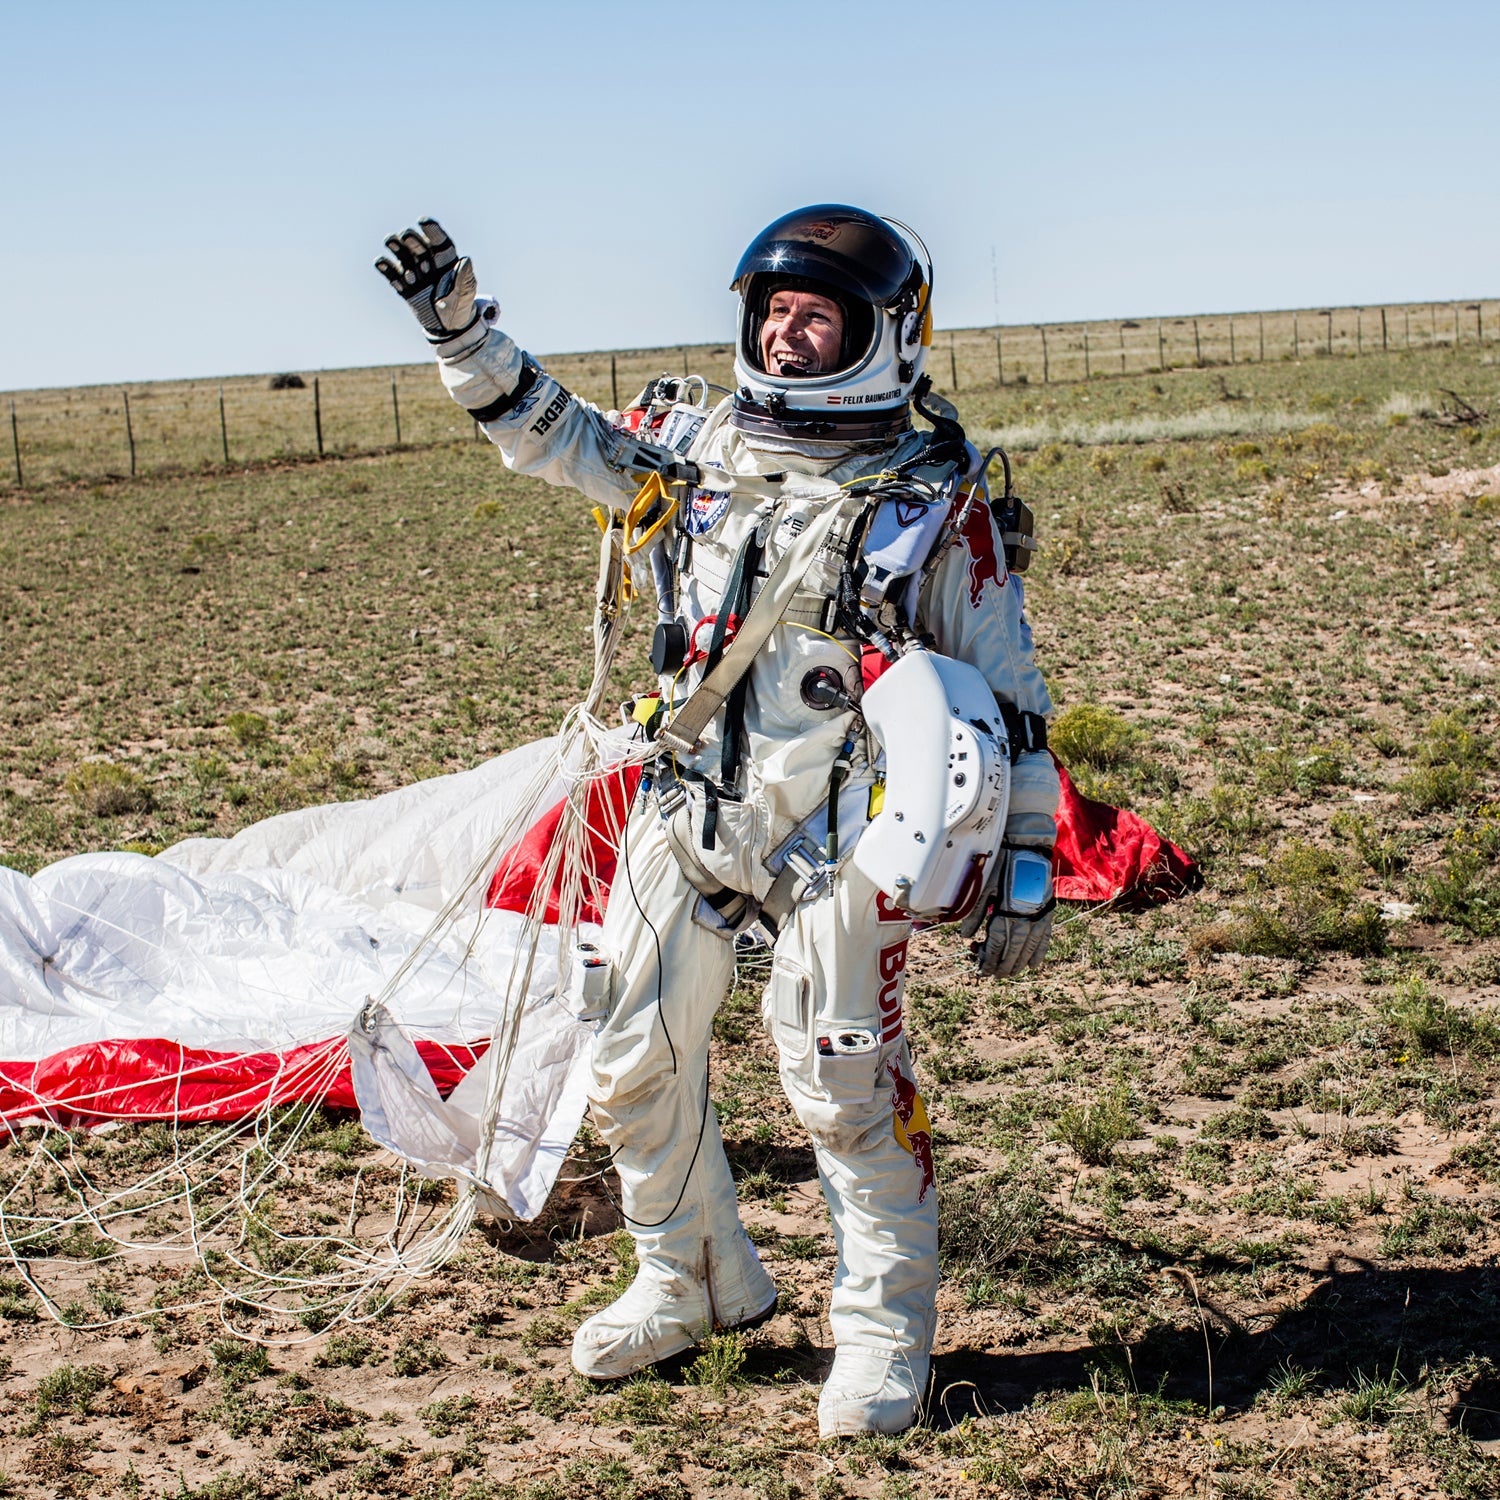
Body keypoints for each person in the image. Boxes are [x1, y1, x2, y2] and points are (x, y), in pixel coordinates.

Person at [375, 206, 1059, 1437]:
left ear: (883, 337)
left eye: (818, 319)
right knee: (629, 1049)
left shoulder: (925, 497)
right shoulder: (692, 454)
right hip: (692, 798)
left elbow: (1007, 686)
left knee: (841, 1079)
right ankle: (688, 1278)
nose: (790, 339)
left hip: (844, 828)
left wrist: (1024, 855)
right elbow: (553, 437)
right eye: (775, 315)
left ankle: (882, 1333)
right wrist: (464, 336)